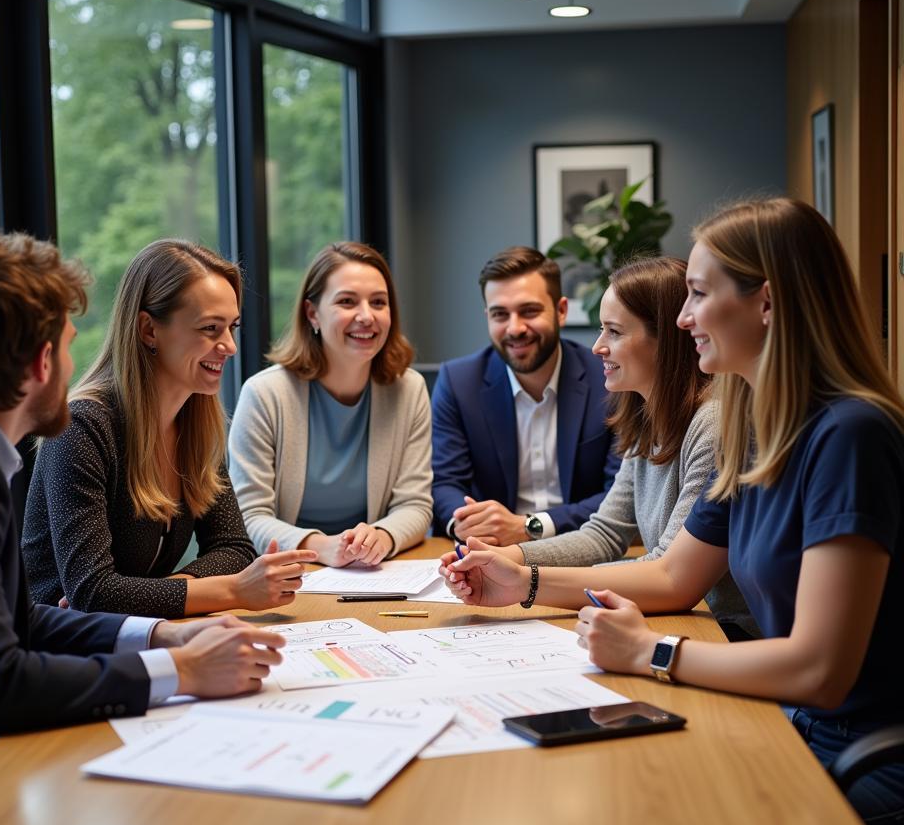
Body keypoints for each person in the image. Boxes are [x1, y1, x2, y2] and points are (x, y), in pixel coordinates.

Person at [444, 199, 904, 825]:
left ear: (766, 304)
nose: (683, 317)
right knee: (590, 824)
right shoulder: (757, 426)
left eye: (696, 294)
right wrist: (521, 579)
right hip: (795, 722)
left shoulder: (850, 435)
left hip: (860, 751)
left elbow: (821, 669)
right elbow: (672, 574)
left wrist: (651, 653)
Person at [0, 231, 285, 825]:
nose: (76, 365)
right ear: (40, 362)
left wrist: (156, 637)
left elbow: (21, 619)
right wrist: (182, 671)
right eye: (69, 345)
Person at [23, 239, 315, 618]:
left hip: (142, 635)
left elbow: (235, 549)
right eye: (210, 328)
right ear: (148, 330)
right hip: (63, 651)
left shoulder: (195, 422)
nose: (229, 346)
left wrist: (154, 594)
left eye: (232, 328)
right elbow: (93, 593)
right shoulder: (82, 427)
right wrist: (233, 590)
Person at [475, 255, 755, 637]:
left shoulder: (712, 424)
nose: (597, 347)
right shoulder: (647, 418)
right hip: (686, 626)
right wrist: (507, 556)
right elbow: (604, 534)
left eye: (614, 332)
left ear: (667, 339)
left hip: (725, 635)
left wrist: (528, 579)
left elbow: (666, 571)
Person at [228, 241, 432, 568]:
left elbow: (416, 505)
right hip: (290, 571)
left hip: (373, 571)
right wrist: (320, 547)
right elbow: (248, 517)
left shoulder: (409, 390)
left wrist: (381, 537)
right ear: (313, 314)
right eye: (347, 302)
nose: (366, 316)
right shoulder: (264, 394)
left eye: (378, 302)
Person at [431, 246, 619, 546]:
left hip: (583, 548)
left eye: (529, 311)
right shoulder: (458, 382)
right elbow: (445, 483)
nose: (515, 328)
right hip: (492, 552)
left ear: (561, 311)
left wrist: (532, 526)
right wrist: (467, 524)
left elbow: (621, 496)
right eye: (500, 314)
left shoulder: (608, 381)